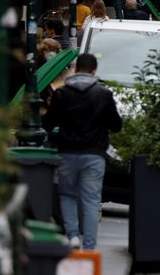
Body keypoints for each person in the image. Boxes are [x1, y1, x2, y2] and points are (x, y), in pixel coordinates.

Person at [42, 53, 122, 250]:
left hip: (67, 152)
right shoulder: (103, 94)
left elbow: (48, 123)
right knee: (91, 199)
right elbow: (116, 125)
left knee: (67, 194)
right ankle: (89, 244)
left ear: (76, 69)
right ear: (94, 70)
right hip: (94, 154)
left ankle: (72, 236)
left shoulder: (62, 94)